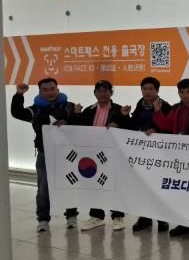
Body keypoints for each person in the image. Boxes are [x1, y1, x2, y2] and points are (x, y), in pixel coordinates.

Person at [11, 78, 79, 231]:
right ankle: (42, 220)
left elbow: (79, 124)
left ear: (58, 89)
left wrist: (70, 120)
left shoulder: (70, 107)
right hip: (44, 153)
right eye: (45, 90)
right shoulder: (36, 110)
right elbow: (17, 113)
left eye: (52, 89)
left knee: (70, 184)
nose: (50, 92)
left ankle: (71, 216)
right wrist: (19, 95)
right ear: (40, 92)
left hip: (68, 155)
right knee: (43, 189)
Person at [152, 78, 189, 241]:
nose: (185, 95)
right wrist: (157, 111)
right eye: (181, 92)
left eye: (188, 91)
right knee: (186, 192)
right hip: (181, 158)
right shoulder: (176, 109)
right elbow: (166, 125)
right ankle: (187, 223)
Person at [68, 80, 127, 231]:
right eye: (99, 91)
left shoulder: (119, 110)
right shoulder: (88, 110)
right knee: (94, 184)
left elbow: (129, 128)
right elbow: (77, 129)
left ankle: (118, 216)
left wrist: (121, 120)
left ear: (111, 93)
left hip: (112, 154)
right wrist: (75, 114)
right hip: (92, 155)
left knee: (114, 184)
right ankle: (97, 216)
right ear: (95, 93)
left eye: (105, 90)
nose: (102, 94)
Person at [121, 76, 172, 233]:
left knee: (159, 186)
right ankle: (145, 218)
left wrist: (157, 131)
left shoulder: (165, 106)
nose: (147, 92)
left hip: (160, 154)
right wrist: (125, 116)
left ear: (157, 90)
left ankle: (163, 219)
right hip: (143, 153)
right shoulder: (140, 104)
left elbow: (170, 129)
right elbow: (134, 125)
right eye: (144, 89)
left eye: (151, 89)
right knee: (143, 186)